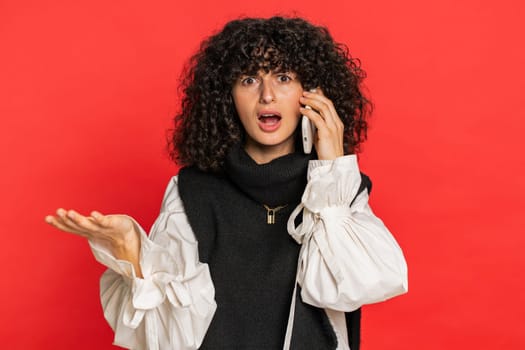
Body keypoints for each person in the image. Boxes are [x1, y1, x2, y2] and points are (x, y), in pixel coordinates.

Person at [45, 16, 408, 350]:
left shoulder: (340, 193)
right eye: (249, 79)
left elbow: (357, 286)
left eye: (283, 78)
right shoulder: (192, 193)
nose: (267, 94)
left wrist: (332, 171)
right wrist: (134, 257)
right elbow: (168, 337)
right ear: (227, 96)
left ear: (310, 93)